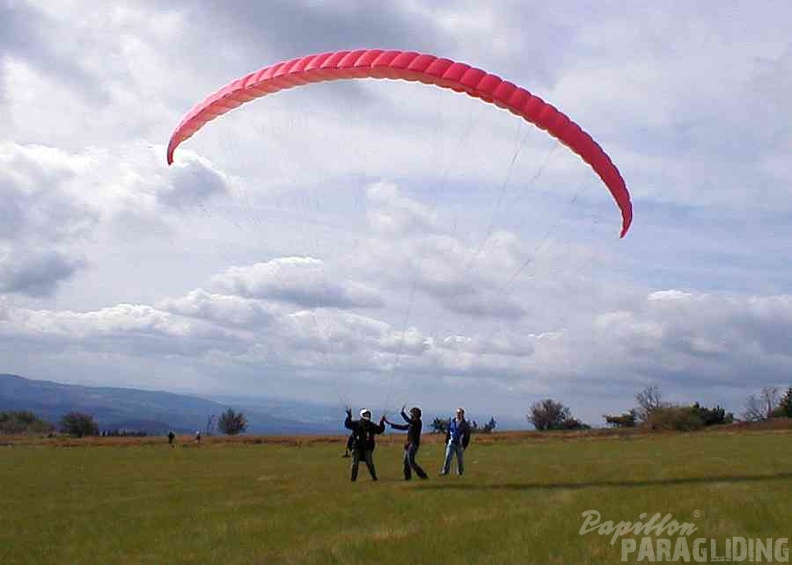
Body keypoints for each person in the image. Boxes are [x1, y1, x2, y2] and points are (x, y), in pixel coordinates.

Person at [385, 405, 428, 480]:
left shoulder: (417, 421)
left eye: (411, 413)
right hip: (409, 444)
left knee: (411, 462)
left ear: (414, 414)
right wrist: (390, 424)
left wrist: (402, 413)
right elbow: (403, 427)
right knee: (406, 462)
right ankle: (407, 477)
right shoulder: (413, 422)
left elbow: (408, 421)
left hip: (413, 444)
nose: (410, 414)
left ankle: (423, 476)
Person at [344, 408, 385, 482]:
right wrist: (349, 416)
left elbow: (379, 430)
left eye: (368, 414)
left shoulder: (371, 425)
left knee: (370, 463)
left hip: (367, 447)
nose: (367, 416)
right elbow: (347, 424)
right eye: (365, 414)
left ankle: (374, 477)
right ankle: (353, 479)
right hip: (357, 446)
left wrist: (382, 422)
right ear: (362, 415)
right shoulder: (356, 424)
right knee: (355, 463)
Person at [440, 407, 471, 476]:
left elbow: (467, 436)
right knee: (448, 457)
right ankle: (445, 471)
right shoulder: (452, 422)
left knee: (460, 459)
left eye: (460, 413)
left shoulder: (465, 424)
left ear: (462, 414)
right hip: (451, 442)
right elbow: (449, 432)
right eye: (457, 413)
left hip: (460, 444)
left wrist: (465, 445)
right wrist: (446, 441)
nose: (458, 414)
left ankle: (460, 472)